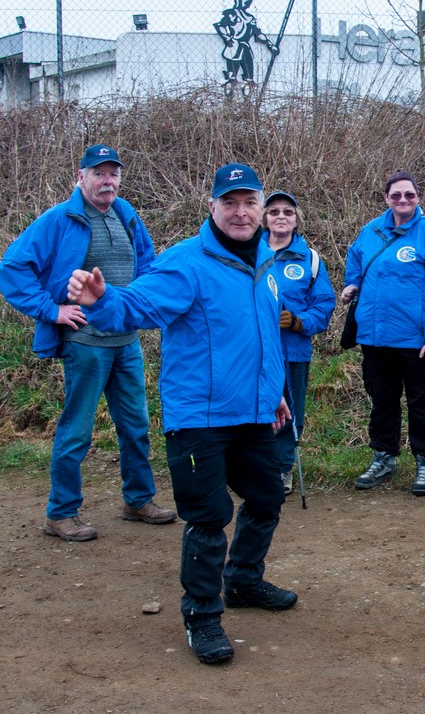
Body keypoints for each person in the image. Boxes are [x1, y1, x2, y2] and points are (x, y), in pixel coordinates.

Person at [66, 163, 296, 665]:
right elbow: (138, 307)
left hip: (254, 412)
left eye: (249, 202)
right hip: (199, 418)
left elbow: (262, 335)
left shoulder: (266, 261)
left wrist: (273, 390)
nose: (241, 212)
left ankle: (243, 581)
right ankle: (202, 616)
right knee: (210, 517)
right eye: (229, 203)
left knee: (266, 498)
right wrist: (102, 302)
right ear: (211, 207)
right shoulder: (186, 263)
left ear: (261, 209)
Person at [0, 144, 176, 543]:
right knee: (77, 429)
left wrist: (145, 306)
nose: (107, 180)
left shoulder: (126, 214)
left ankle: (138, 498)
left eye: (113, 173)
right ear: (81, 177)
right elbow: (12, 268)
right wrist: (53, 310)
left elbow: (147, 265)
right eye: (98, 173)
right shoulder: (60, 218)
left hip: (125, 341)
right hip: (85, 341)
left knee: (135, 426)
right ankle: (60, 513)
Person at [340, 171, 425, 496]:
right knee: (382, 402)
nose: (403, 200)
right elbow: (355, 258)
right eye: (396, 195)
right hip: (374, 338)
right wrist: (352, 282)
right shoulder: (372, 231)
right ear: (386, 198)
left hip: (417, 342)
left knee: (421, 403)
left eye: (409, 195)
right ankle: (384, 457)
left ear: (418, 197)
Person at [262, 190, 335, 494]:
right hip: (251, 350)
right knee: (252, 406)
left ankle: (282, 469)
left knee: (290, 410)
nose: (281, 217)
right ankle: (252, 466)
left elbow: (323, 305)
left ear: (296, 220)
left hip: (293, 350)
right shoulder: (246, 253)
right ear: (264, 218)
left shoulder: (311, 260)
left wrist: (299, 321)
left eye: (288, 212)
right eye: (274, 211)